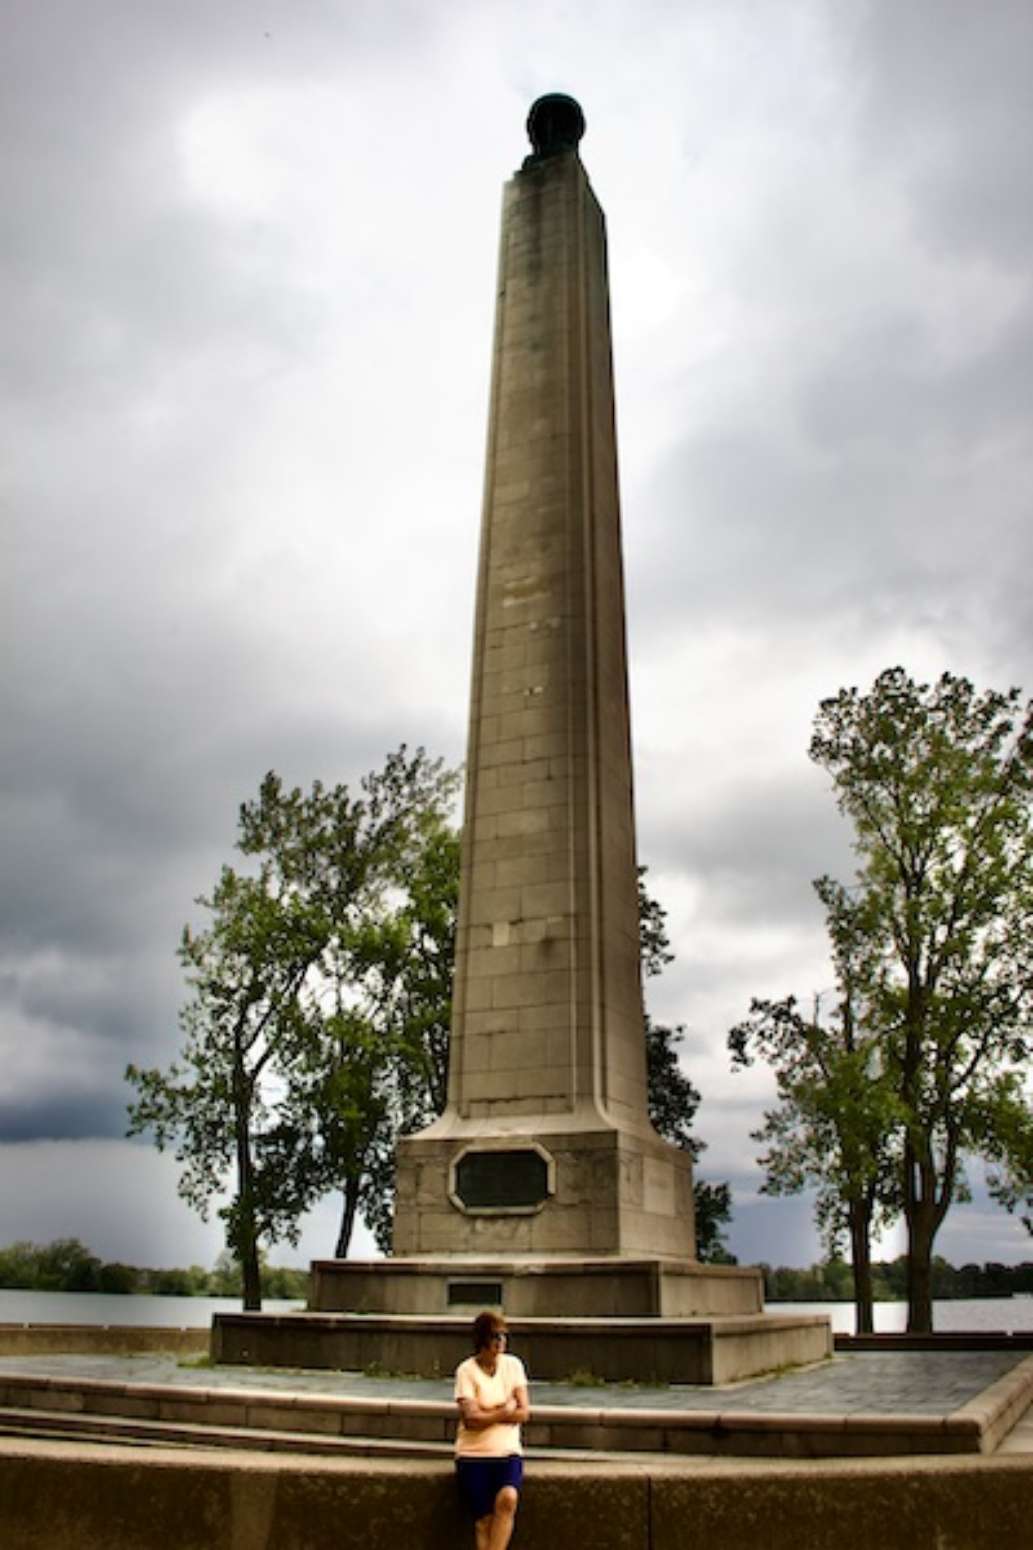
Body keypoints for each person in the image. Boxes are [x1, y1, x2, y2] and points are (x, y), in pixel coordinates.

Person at [454, 1310, 530, 1550]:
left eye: (504, 1336)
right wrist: (503, 1412)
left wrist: (489, 1413)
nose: (501, 1342)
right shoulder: (466, 1371)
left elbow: (524, 1412)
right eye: (496, 1336)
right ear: (483, 1340)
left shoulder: (513, 1366)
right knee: (484, 1521)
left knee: (508, 1498)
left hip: (507, 1452)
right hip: (473, 1455)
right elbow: (471, 1420)